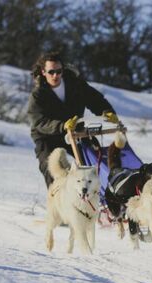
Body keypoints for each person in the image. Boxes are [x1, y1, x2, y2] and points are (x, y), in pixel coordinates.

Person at [27, 51, 119, 187]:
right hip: (47, 136)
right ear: (43, 71)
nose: (55, 75)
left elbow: (94, 99)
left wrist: (107, 112)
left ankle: (101, 197)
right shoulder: (38, 95)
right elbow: (39, 122)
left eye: (58, 71)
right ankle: (59, 202)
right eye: (51, 72)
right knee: (52, 167)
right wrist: (62, 126)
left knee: (93, 159)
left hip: (75, 131)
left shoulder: (75, 85)